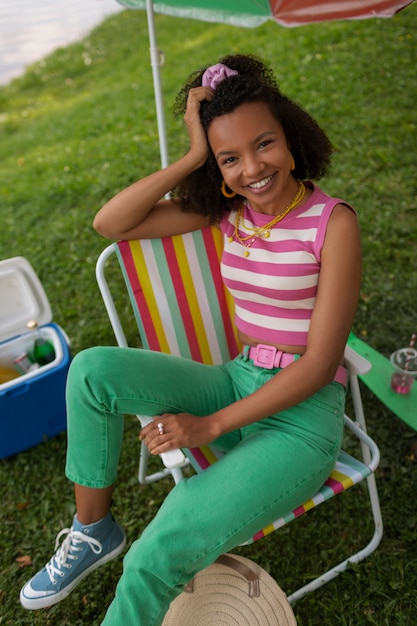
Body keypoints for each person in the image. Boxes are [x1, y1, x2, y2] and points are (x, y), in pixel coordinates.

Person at [20, 54, 361, 624]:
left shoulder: (333, 223)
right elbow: (112, 223)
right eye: (232, 158)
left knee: (159, 551)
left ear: (292, 138)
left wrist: (209, 427)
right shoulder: (231, 212)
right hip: (238, 378)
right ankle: (94, 530)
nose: (252, 168)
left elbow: (321, 364)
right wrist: (196, 156)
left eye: (264, 144)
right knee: (92, 371)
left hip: (299, 422)